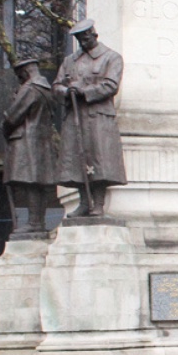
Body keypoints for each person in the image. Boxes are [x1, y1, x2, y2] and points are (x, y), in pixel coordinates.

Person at [53, 18, 126, 218]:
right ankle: (84, 202)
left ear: (94, 34)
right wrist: (67, 91)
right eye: (79, 39)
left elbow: (110, 85)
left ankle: (98, 204)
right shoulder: (70, 61)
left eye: (85, 37)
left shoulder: (111, 57)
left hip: (98, 118)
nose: (83, 41)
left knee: (99, 160)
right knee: (76, 160)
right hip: (75, 116)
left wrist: (84, 91)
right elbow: (57, 85)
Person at [1, 57, 57, 234]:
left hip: (27, 140)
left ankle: (34, 222)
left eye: (19, 76)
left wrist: (4, 127)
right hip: (43, 140)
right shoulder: (47, 89)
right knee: (38, 182)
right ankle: (38, 221)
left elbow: (12, 117)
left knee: (31, 181)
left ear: (25, 72)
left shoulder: (30, 89)